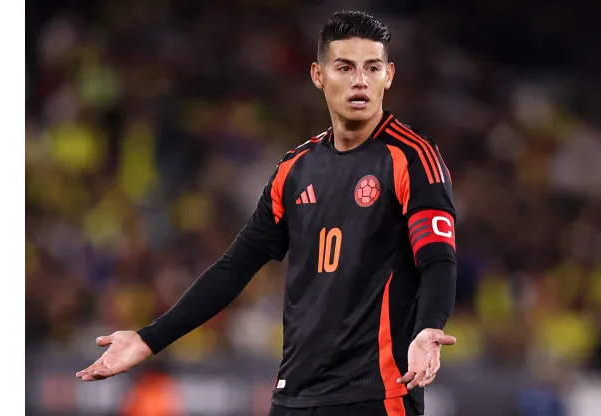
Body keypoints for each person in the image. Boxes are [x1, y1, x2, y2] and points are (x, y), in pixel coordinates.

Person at [76, 10, 458, 416]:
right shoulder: (294, 170)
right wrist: (149, 339)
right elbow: (234, 267)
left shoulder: (412, 159)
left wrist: (427, 329)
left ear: (389, 75)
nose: (359, 80)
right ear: (318, 75)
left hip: (376, 394)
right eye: (345, 67)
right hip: (294, 395)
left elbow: (437, 258)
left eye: (372, 68)